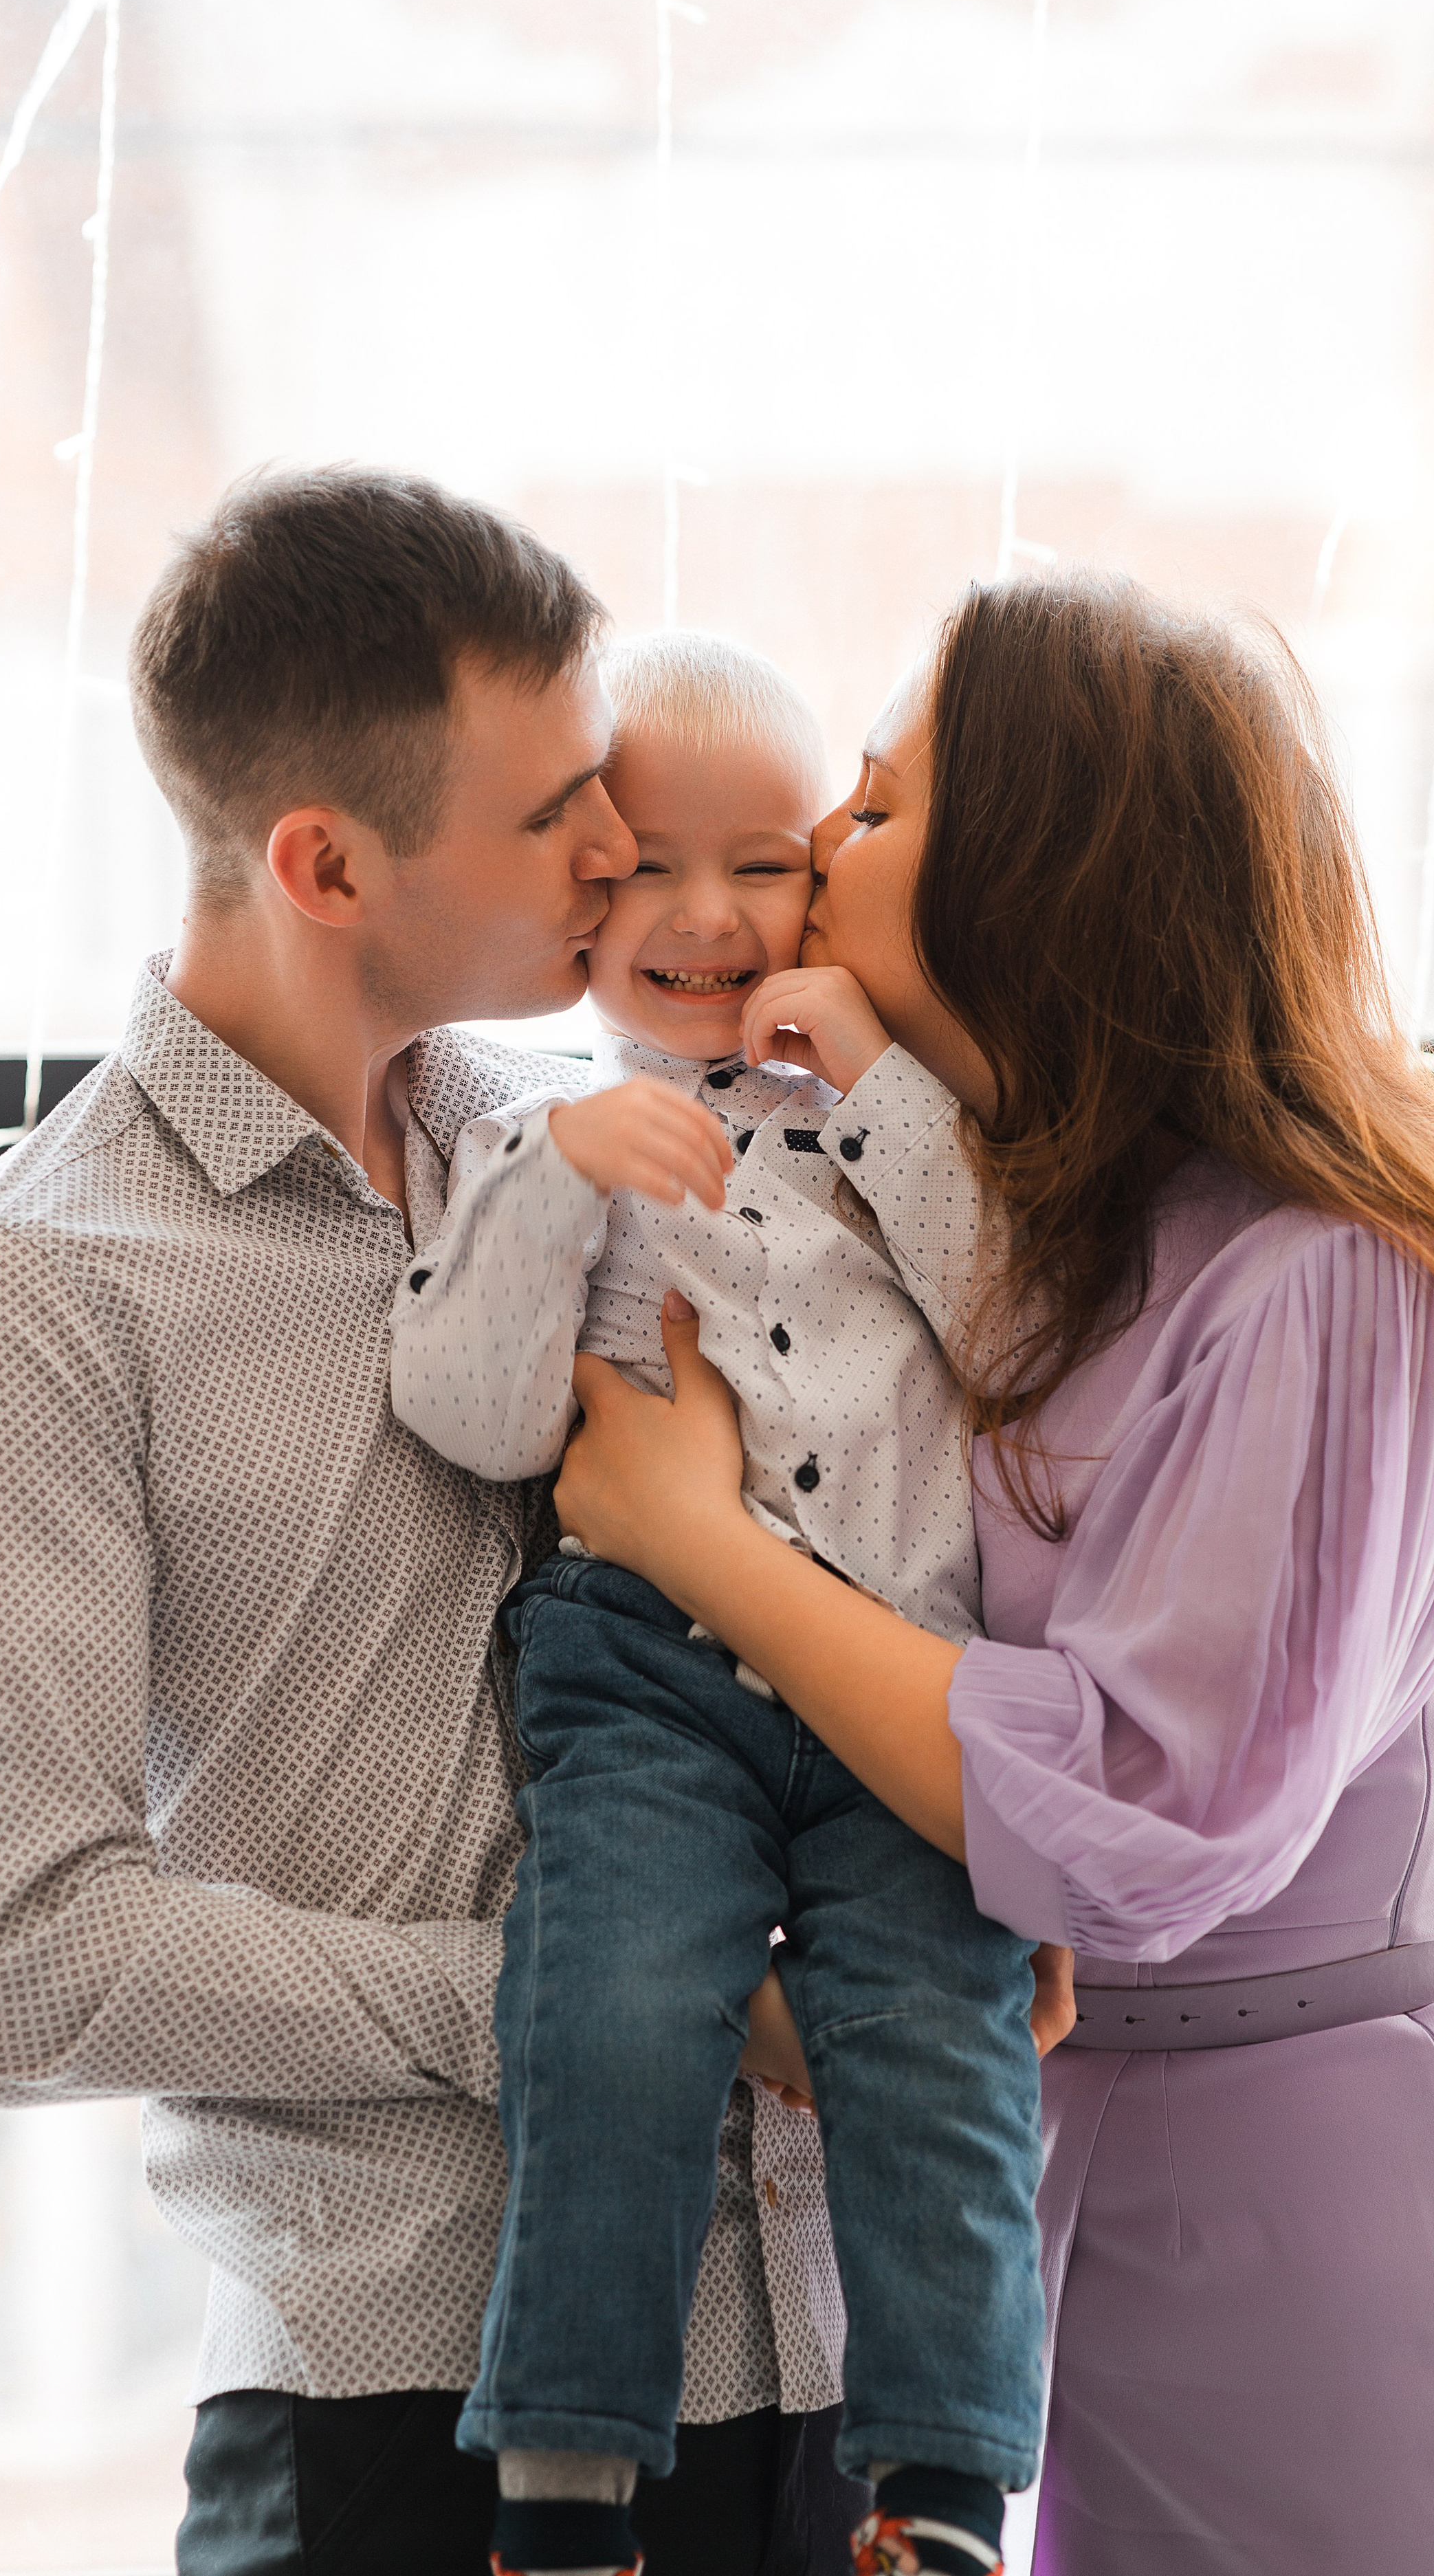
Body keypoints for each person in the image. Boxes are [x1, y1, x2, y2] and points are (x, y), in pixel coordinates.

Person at [546, 571, 1434, 2573]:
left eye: (877, 811)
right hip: (1073, 2193)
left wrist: (699, 1543)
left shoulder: (1336, 1271)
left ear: (1040, 885)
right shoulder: (1008, 1221)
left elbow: (1142, 1809)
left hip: (1344, 2255)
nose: (817, 852)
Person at [0, 469, 861, 2576]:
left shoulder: (591, 1145)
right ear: (325, 862)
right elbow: (26, 1960)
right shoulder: (34, 1286)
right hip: (388, 2413)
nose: (620, 850)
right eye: (555, 815)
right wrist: (575, 1995)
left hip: (812, 2363)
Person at [390, 630, 1048, 2576]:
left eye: (760, 859)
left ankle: (941, 2494)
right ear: (584, 895)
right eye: (646, 867)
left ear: (824, 882)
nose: (702, 912)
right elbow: (475, 1405)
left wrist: (879, 1095)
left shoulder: (905, 1108)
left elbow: (1019, 1335)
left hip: (895, 1672)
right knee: (604, 2004)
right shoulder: (533, 1138)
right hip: (645, 1676)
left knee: (942, 2040)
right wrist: (556, 1183)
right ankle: (570, 2483)